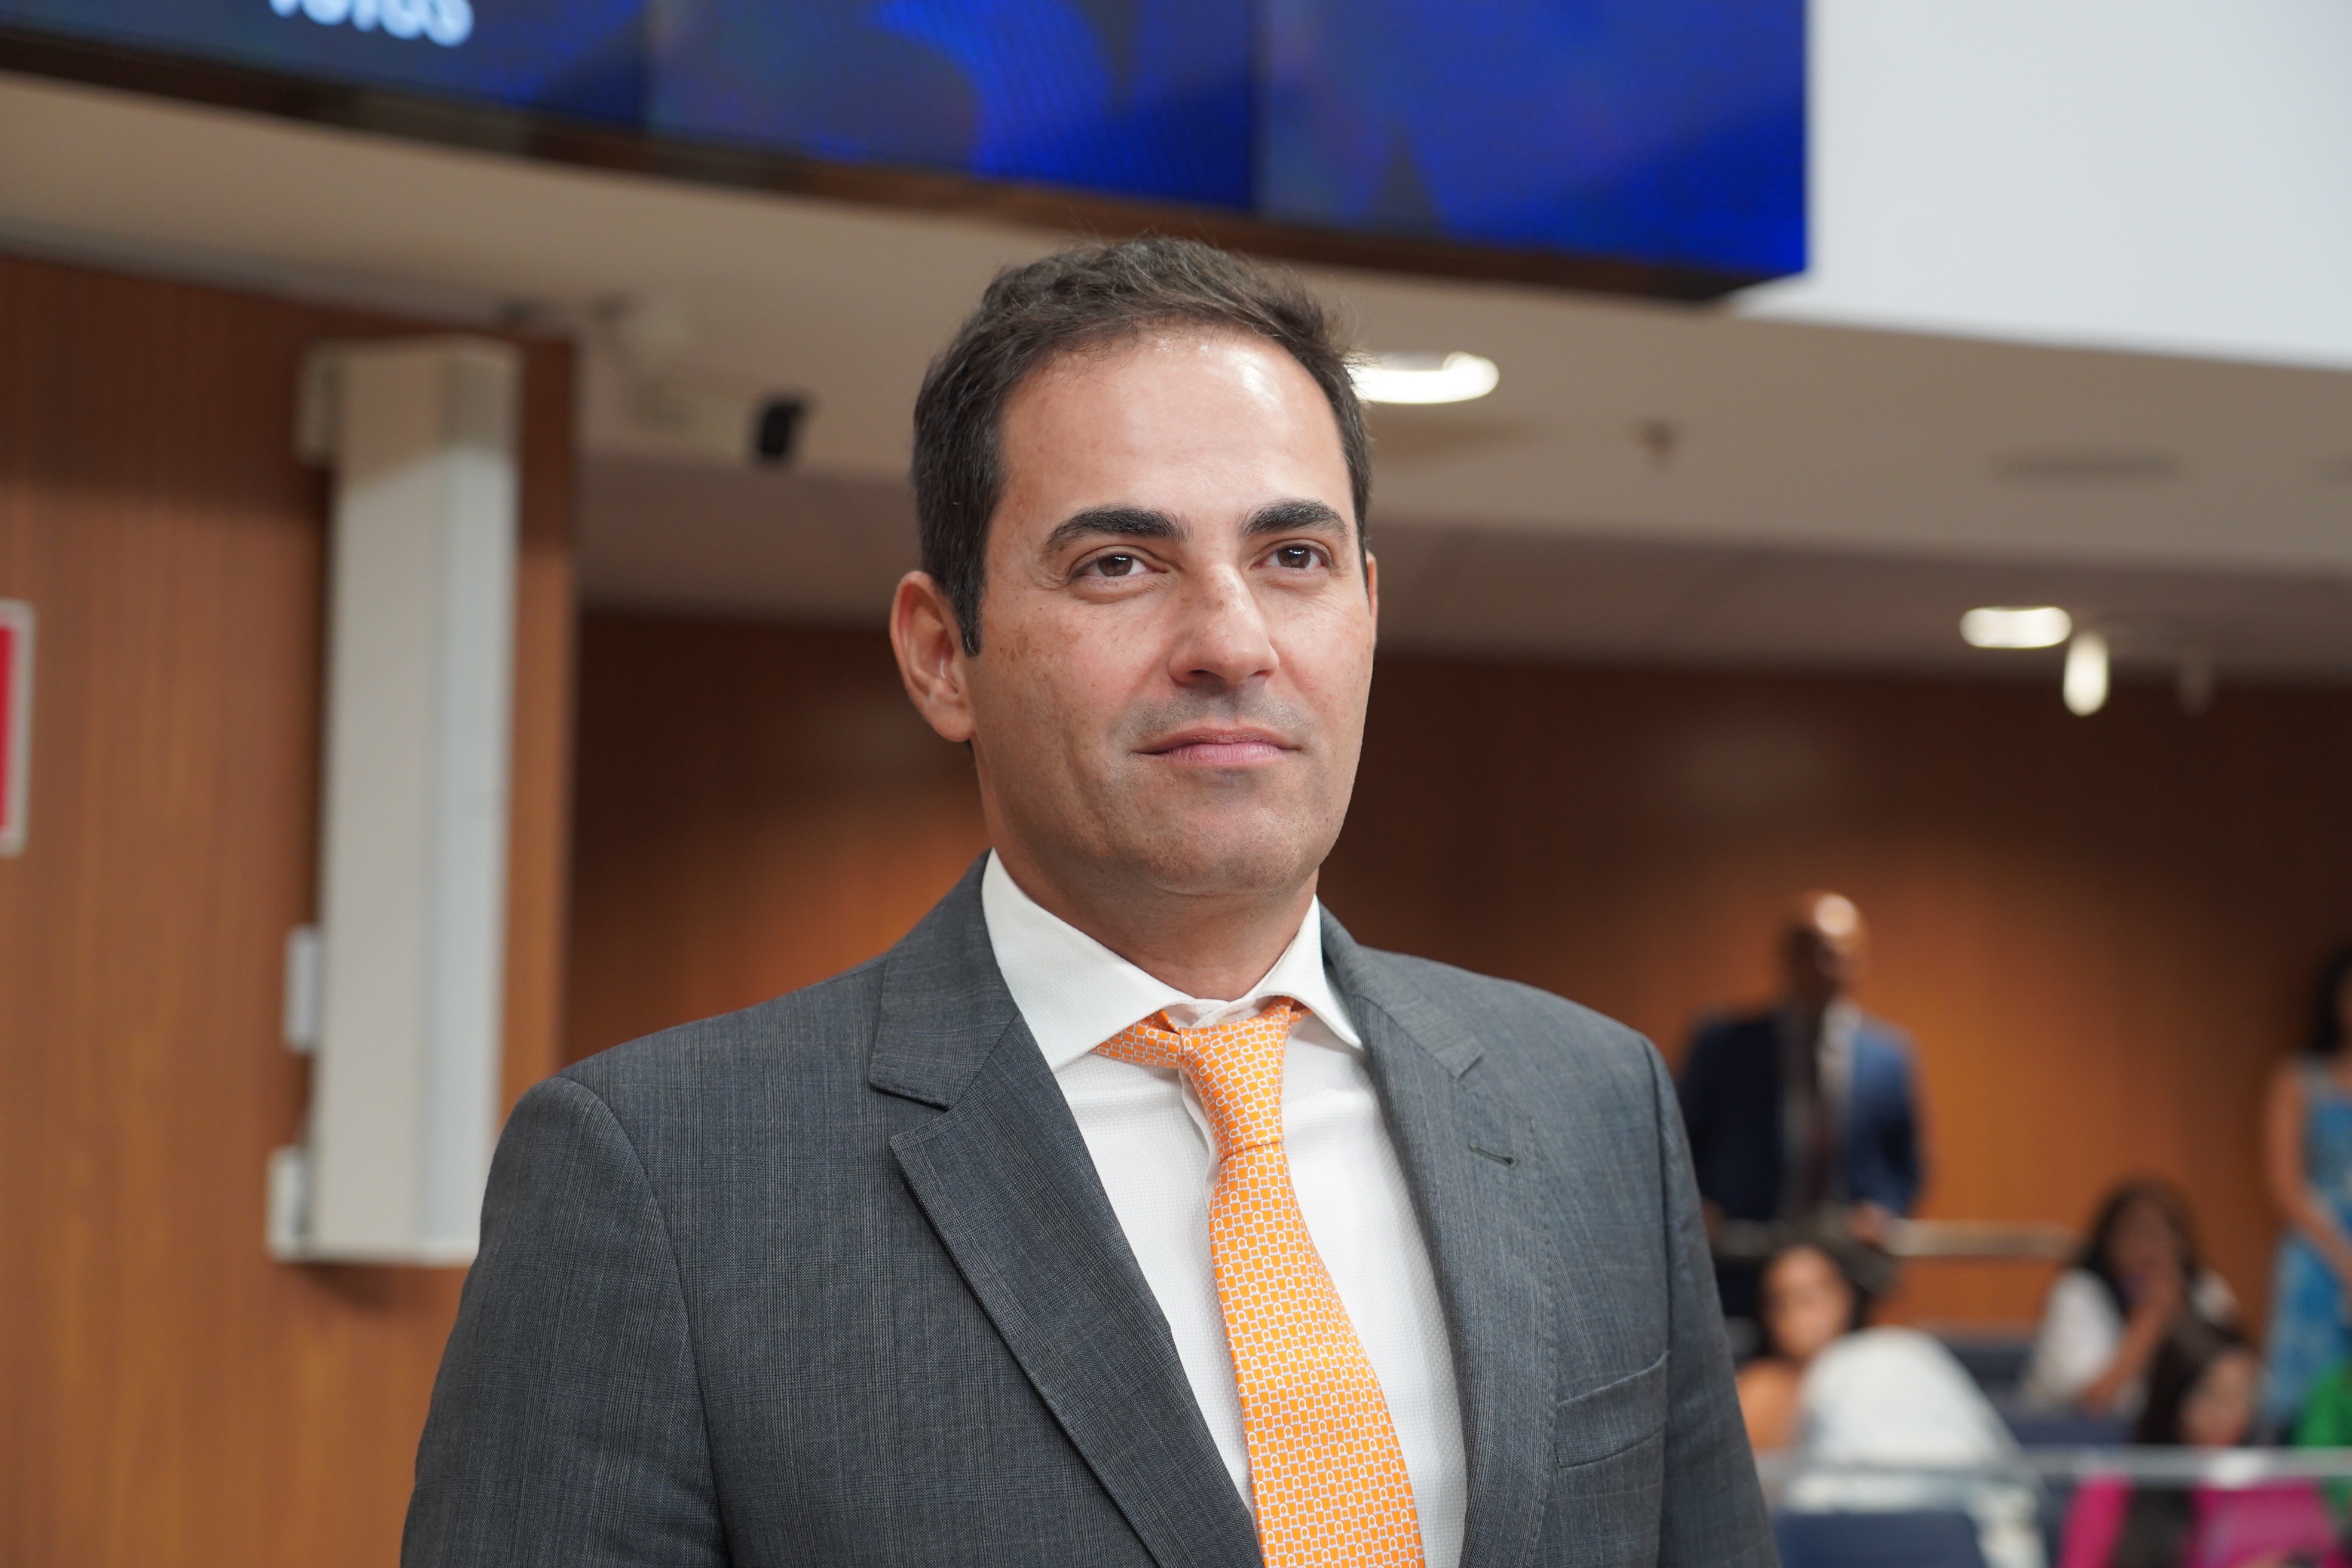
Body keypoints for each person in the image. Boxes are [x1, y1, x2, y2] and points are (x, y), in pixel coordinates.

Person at [402, 239, 1771, 1567]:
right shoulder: (661, 1181)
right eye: (1120, 561)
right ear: (942, 654)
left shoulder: (1593, 1107)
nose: (1231, 641)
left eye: (1292, 556)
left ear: (1364, 610)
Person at [1678, 892, 1926, 1325]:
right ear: (1789, 957)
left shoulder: (1888, 1057)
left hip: (1846, 1266)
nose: (1832, 967)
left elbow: (1907, 1163)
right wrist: (1696, 1203)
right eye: (1819, 952)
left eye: (1845, 954)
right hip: (1741, 1259)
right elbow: (1679, 1139)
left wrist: (1883, 1210)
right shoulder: (1727, 1044)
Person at [1743, 1243, 2043, 1568]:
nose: (1803, 1312)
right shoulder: (1761, 1389)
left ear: (1847, 1296)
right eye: (1784, 1299)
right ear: (1767, 1315)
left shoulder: (1903, 1352)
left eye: (1816, 1292)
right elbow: (1750, 1502)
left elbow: (1980, 1459)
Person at [2057, 1326, 2345, 1568]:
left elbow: (2328, 1555)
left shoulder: (2277, 1480)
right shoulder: (2115, 1487)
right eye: (2214, 1396)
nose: (2232, 1412)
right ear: (2173, 1398)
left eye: (2244, 1395)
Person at [2020, 1180, 2240, 1419]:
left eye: (2162, 1237)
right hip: (2067, 1437)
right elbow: (2094, 1404)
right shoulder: (2077, 1294)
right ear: (2109, 1243)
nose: (2149, 1253)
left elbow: (2238, 1385)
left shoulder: (2205, 1291)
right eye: (2137, 1236)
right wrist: (2151, 1318)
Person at [2264, 944, 2352, 1433]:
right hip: (2320, 1246)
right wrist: (2344, 1260)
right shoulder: (2300, 1078)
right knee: (2310, 1397)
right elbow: (2286, 1186)